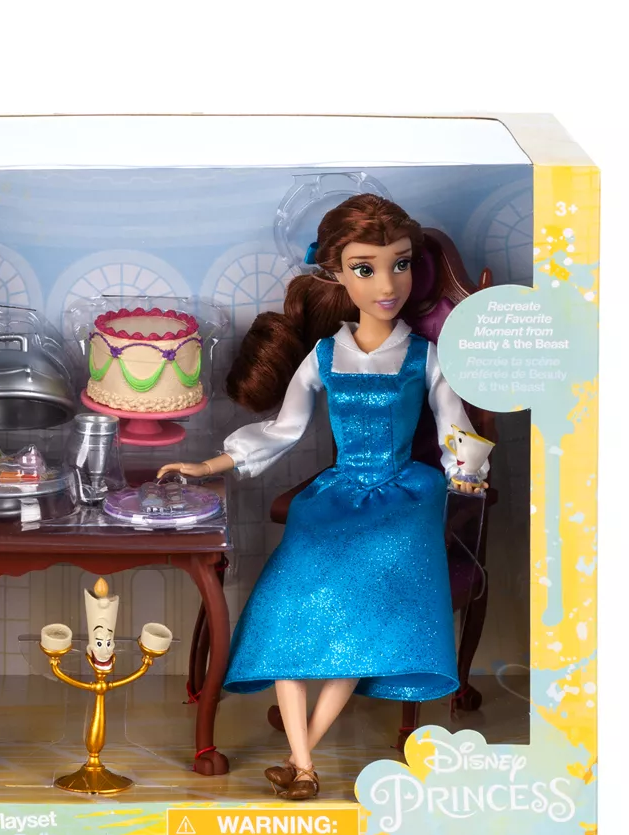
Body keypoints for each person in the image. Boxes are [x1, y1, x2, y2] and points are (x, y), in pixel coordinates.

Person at [158, 194, 488, 800]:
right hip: (335, 497)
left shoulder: (425, 355)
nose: (387, 284)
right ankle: (302, 763)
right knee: (283, 607)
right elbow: (283, 429)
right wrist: (210, 463)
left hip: (401, 500)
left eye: (400, 264)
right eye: (366, 268)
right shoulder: (324, 355)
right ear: (336, 273)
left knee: (360, 620)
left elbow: (454, 426)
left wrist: (465, 470)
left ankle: (301, 763)